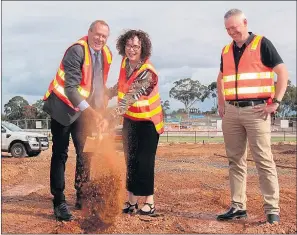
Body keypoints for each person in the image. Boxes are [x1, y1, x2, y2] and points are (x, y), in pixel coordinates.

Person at [216, 9, 288, 224]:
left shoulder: (262, 44)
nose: (231, 32)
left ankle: (272, 209)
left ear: (245, 22)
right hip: (232, 111)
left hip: (257, 111)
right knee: (235, 160)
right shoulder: (226, 50)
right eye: (227, 29)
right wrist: (221, 102)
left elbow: (282, 72)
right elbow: (220, 78)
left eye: (234, 27)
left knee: (263, 160)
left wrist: (275, 102)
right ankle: (238, 206)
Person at [43, 20, 112, 221]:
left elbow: (98, 86)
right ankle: (59, 200)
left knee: (86, 152)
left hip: (83, 110)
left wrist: (101, 111)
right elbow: (71, 88)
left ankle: (82, 194)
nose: (100, 39)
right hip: (63, 107)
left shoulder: (106, 54)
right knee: (60, 153)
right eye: (97, 34)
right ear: (89, 32)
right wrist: (91, 112)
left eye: (104, 36)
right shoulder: (76, 51)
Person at [108, 29, 164, 215]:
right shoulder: (125, 64)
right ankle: (131, 202)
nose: (131, 50)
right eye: (129, 45)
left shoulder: (148, 72)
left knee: (144, 162)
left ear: (143, 49)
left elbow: (130, 97)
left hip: (148, 123)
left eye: (136, 46)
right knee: (130, 161)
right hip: (130, 121)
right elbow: (122, 86)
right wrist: (107, 94)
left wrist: (109, 116)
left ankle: (149, 201)